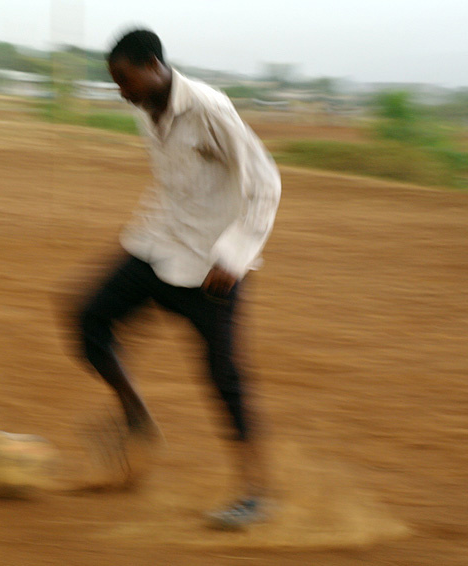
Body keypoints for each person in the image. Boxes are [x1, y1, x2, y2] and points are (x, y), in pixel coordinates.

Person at [69, 29, 281, 529]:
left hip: (213, 267)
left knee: (224, 377)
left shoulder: (208, 108)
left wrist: (236, 254)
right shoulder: (147, 108)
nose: (120, 91)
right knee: (88, 319)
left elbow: (265, 181)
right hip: (158, 246)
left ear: (151, 64)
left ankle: (255, 495)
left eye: (124, 79)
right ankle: (137, 416)